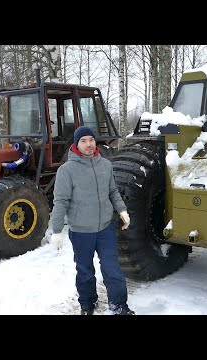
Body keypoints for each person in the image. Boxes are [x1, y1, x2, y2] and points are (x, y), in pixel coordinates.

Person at [50, 126, 135, 315]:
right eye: (83, 141)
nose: (88, 144)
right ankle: (87, 303)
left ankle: (119, 304)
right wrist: (56, 231)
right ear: (76, 144)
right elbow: (60, 201)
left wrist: (122, 210)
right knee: (85, 271)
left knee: (112, 269)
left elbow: (112, 191)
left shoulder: (105, 165)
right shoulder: (67, 170)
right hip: (81, 232)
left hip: (105, 228)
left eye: (91, 140)